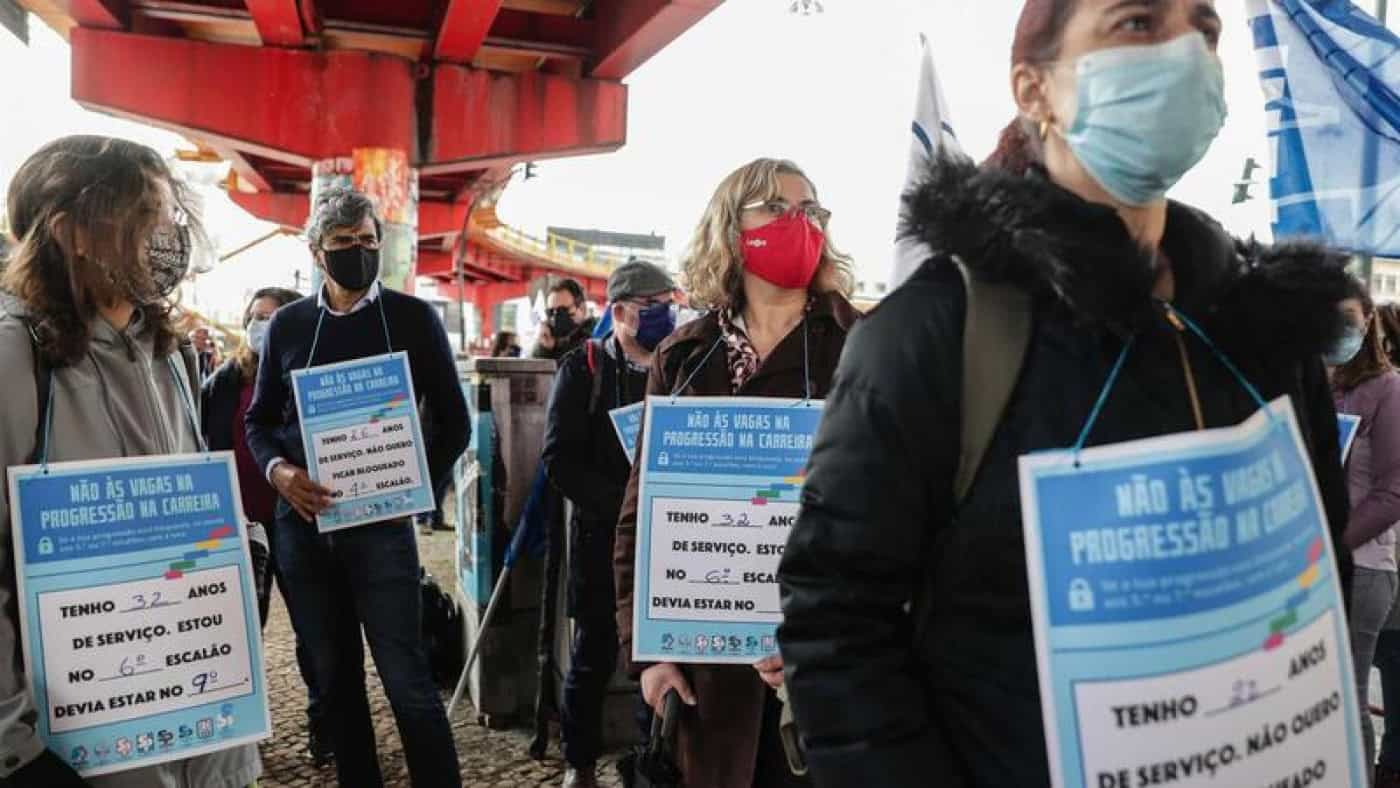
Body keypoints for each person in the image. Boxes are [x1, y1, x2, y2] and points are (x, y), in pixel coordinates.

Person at [776, 2, 1355, 785]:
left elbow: (1319, 575)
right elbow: (838, 621)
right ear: (1034, 88)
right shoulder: (937, 333)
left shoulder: (1266, 328)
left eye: (1205, 29)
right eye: (1138, 23)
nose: (1186, 52)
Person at [0, 135, 262, 787]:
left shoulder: (170, 351)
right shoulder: (16, 358)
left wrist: (242, 550)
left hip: (198, 723)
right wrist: (15, 741)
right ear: (73, 233)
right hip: (74, 743)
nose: (170, 234)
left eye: (173, 214)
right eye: (148, 214)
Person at [614, 158, 859, 788]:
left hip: (826, 674)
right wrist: (651, 654)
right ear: (732, 230)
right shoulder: (685, 357)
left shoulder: (861, 346)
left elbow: (898, 524)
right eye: (777, 208)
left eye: (811, 210)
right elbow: (641, 519)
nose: (799, 221)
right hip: (707, 680)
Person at [245, 187, 469, 788]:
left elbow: (455, 421)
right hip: (304, 531)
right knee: (336, 675)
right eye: (345, 244)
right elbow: (258, 421)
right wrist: (280, 472)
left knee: (406, 677)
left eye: (370, 242)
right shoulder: (289, 327)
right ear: (319, 252)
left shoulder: (413, 318)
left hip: (381, 531)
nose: (360, 253)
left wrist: (413, 482)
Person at [543, 260, 678, 788]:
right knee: (593, 656)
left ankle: (649, 762)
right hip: (603, 541)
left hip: (667, 543)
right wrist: (623, 507)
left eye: (669, 303)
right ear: (619, 312)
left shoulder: (685, 362)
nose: (665, 315)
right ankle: (579, 763)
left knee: (659, 659)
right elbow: (559, 461)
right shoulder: (584, 368)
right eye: (653, 307)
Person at [200, 286, 334, 766]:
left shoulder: (307, 377)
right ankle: (239, 732)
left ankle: (327, 724)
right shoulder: (222, 383)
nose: (263, 326)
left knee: (314, 629)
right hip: (236, 527)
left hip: (296, 521)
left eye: (274, 318)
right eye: (255, 317)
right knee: (238, 633)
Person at [1330, 280, 1400, 784]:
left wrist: (1336, 544)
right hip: (1314, 564)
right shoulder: (1313, 380)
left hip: (1362, 567)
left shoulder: (1387, 387)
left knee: (1348, 701)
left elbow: (1394, 490)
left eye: (1349, 319)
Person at [533, 278, 597, 361]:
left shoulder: (597, 335)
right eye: (551, 312)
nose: (556, 316)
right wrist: (543, 348)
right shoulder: (549, 339)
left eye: (563, 310)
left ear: (582, 308)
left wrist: (556, 346)